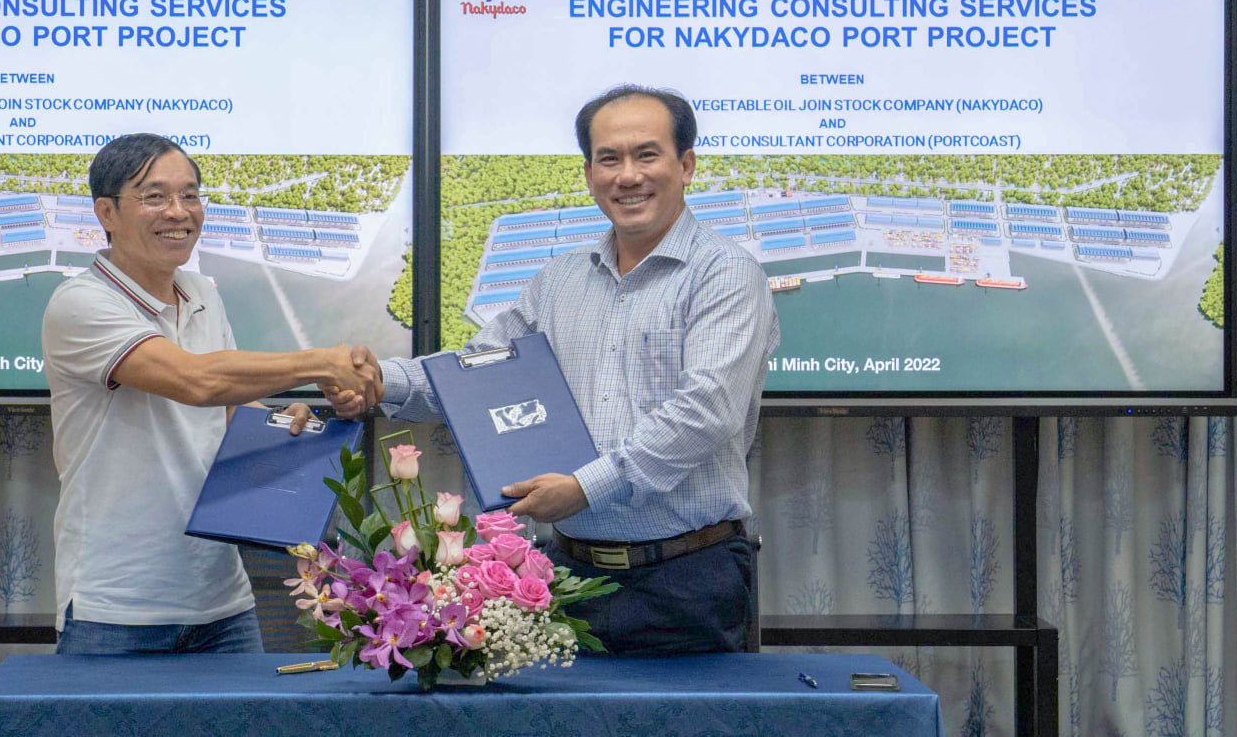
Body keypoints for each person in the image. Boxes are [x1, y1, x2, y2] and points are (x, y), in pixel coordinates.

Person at [330, 85, 779, 655]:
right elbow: (476, 373)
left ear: (686, 165)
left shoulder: (726, 275)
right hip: (568, 578)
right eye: (609, 159)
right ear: (589, 172)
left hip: (688, 581)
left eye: (647, 155)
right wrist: (376, 381)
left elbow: (705, 410)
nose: (627, 176)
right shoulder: (560, 281)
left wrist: (583, 489)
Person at [42, 133, 382, 655]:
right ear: (106, 213)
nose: (179, 212)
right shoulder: (81, 303)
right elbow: (195, 381)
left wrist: (281, 422)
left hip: (222, 602)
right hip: (116, 607)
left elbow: (226, 407)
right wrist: (320, 363)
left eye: (191, 195)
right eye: (154, 196)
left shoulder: (200, 293)